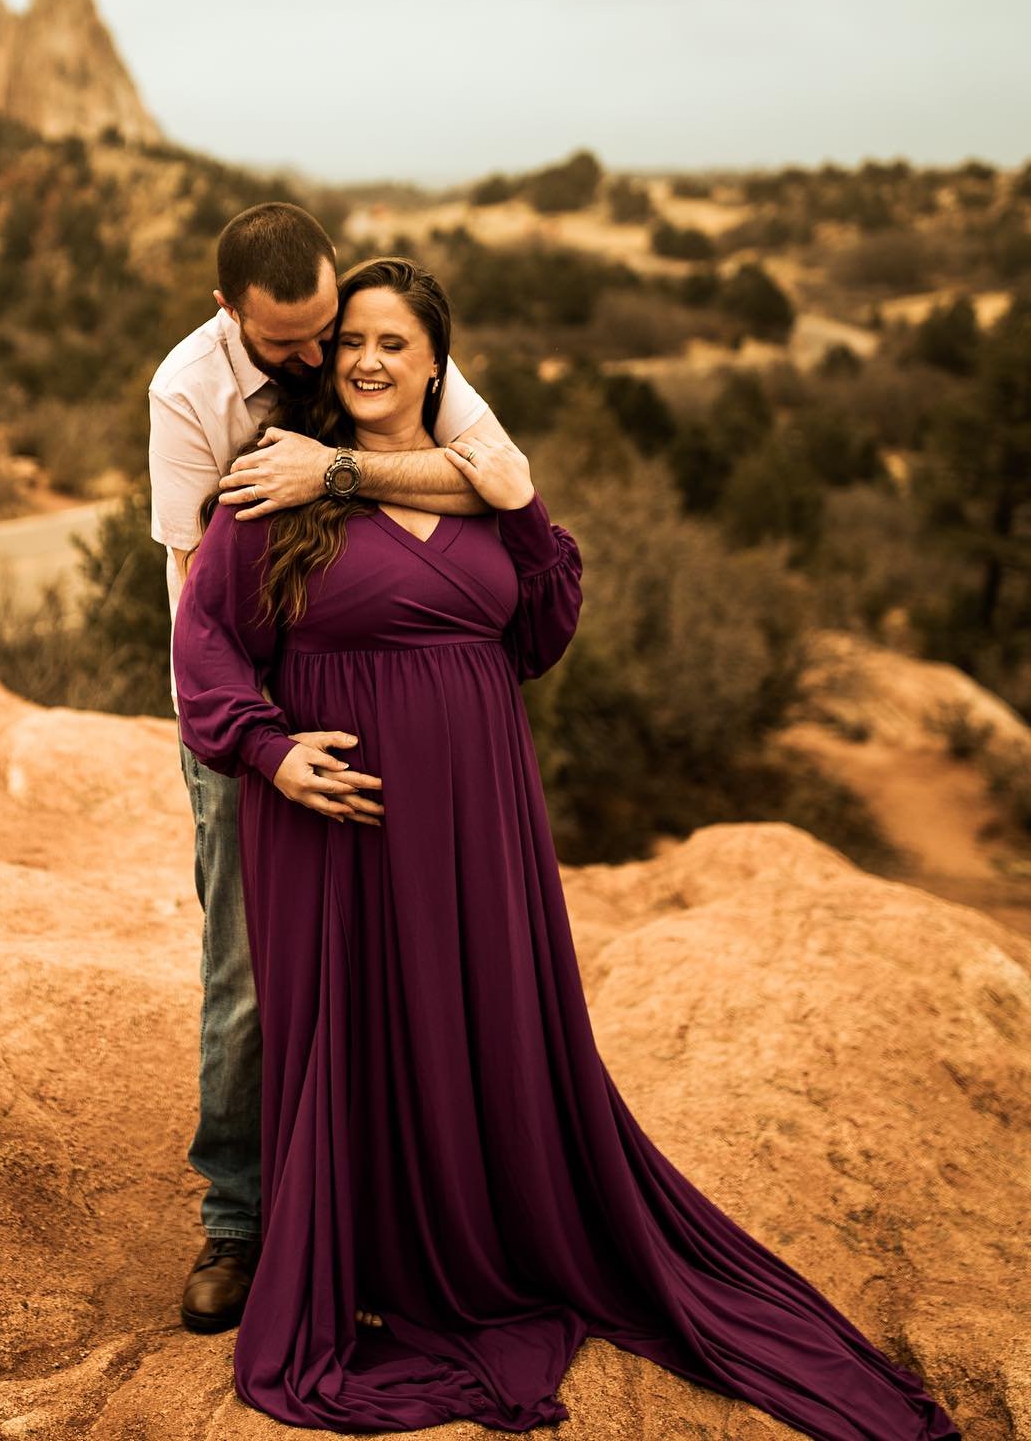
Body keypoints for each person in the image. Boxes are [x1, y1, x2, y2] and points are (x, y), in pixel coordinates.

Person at [171, 255, 961, 1437]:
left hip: (481, 810)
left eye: (396, 343)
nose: (371, 361)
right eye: (353, 344)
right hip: (342, 818)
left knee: (485, 1013)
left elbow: (541, 625)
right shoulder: (274, 487)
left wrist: (522, 503)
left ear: (438, 360)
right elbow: (207, 641)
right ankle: (336, 1239)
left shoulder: (484, 477)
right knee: (357, 1020)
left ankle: (501, 1227)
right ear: (326, 358)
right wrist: (273, 751)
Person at [147, 203, 512, 1332]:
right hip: (243, 713)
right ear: (228, 314)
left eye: (333, 330)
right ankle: (240, 1219)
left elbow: (502, 483)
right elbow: (194, 585)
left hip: (372, 728)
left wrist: (341, 474)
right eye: (292, 344)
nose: (322, 359)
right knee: (251, 971)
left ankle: (409, 1196)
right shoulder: (189, 395)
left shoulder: (364, 349)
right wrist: (256, 743)